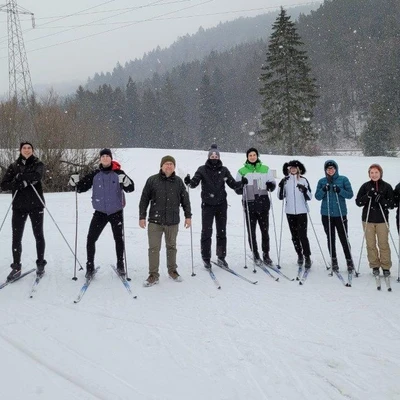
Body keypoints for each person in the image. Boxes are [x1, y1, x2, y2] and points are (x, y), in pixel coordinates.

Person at [69, 148, 134, 278]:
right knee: (91, 239)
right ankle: (90, 266)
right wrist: (73, 183)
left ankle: (120, 264)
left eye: (107, 156)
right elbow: (80, 188)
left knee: (118, 239)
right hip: (100, 212)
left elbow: (131, 188)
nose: (105, 158)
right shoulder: (95, 174)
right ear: (100, 159)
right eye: (103, 156)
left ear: (111, 158)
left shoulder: (119, 173)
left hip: (116, 212)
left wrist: (126, 181)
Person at [184, 144, 241, 269]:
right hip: (207, 205)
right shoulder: (202, 169)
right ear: (209, 157)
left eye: (216, 155)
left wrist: (241, 183)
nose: (214, 157)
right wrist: (189, 182)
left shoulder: (224, 170)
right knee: (206, 232)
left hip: (221, 205)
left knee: (221, 231)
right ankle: (206, 258)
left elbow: (232, 184)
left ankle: (221, 257)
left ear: (219, 157)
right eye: (212, 155)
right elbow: (194, 183)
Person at [139, 155, 191, 287]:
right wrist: (142, 216)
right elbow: (144, 199)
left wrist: (188, 216)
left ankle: (172, 271)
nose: (169, 166)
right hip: (155, 221)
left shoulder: (179, 182)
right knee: (153, 248)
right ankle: (153, 275)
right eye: (166, 164)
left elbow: (185, 200)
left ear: (174, 166)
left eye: (171, 164)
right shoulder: (152, 180)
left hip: (172, 222)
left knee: (171, 247)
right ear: (161, 166)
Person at [1, 142, 47, 281]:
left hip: (36, 205)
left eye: (29, 148)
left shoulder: (38, 163)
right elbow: (3, 185)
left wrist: (24, 179)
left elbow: (37, 176)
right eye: (24, 148)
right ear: (20, 150)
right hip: (19, 206)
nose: (26, 150)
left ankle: (40, 263)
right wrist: (17, 183)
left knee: (38, 234)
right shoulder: (14, 166)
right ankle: (16, 267)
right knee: (16, 237)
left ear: (33, 150)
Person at [236, 147, 276, 265]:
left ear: (257, 156)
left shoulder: (265, 169)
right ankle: (255, 253)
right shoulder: (242, 171)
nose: (252, 157)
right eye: (250, 155)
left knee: (265, 231)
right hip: (249, 204)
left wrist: (270, 186)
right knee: (251, 231)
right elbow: (237, 189)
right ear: (247, 157)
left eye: (254, 155)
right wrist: (240, 185)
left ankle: (266, 254)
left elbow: (272, 184)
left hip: (263, 203)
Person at [355, 164, 394, 277]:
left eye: (376, 172)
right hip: (368, 219)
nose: (374, 175)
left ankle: (386, 266)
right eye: (372, 173)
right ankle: (375, 266)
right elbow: (358, 202)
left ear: (380, 173)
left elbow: (392, 204)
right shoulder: (365, 186)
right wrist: (367, 196)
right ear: (369, 174)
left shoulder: (386, 186)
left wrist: (382, 200)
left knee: (383, 244)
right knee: (370, 244)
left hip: (382, 220)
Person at [315, 160, 354, 271]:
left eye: (332, 168)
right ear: (325, 170)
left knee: (344, 237)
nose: (330, 170)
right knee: (330, 237)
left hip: (340, 214)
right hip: (326, 214)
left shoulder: (343, 179)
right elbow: (317, 197)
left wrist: (340, 190)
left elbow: (350, 194)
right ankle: (333, 259)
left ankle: (349, 260)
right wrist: (323, 190)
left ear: (336, 169)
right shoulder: (322, 181)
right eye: (328, 169)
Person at [277, 160, 312, 268]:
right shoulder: (285, 180)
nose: (293, 169)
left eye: (295, 168)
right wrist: (281, 185)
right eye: (291, 168)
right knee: (294, 236)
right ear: (288, 169)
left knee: (303, 235)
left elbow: (310, 197)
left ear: (299, 169)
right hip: (290, 212)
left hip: (302, 212)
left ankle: (307, 256)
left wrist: (304, 190)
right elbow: (280, 196)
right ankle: (299, 255)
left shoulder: (303, 180)